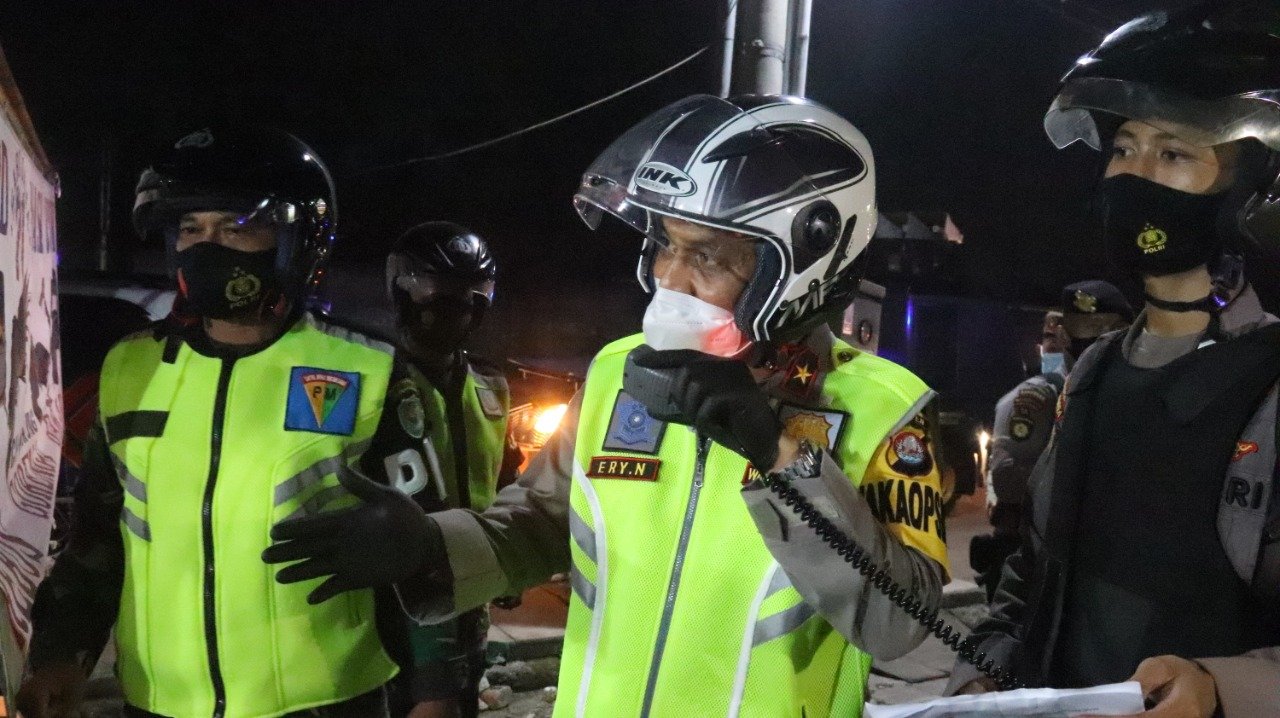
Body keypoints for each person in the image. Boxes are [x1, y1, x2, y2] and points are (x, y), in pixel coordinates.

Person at [265, 94, 951, 717]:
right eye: (664, 246)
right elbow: (539, 521)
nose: (667, 278)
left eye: (705, 257)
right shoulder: (621, 373)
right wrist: (429, 546)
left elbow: (897, 626)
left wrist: (780, 458)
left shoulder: (882, 410)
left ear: (803, 262)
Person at [18, 126, 424, 718]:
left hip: (326, 702)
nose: (206, 247)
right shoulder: (130, 368)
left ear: (297, 240)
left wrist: (436, 689)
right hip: (159, 704)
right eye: (190, 229)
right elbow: (99, 535)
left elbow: (430, 546)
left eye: (236, 226)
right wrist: (62, 654)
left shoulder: (370, 370)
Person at [948, 6, 1280, 716]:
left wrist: (1225, 689)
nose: (1133, 174)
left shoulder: (1270, 381)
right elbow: (1037, 572)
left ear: (1249, 191)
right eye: (1124, 147)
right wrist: (992, 660)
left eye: (1174, 153)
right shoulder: (1094, 372)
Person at [383, 221, 521, 718]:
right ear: (402, 287)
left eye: (474, 292)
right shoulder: (377, 379)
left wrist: (510, 563)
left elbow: (505, 476)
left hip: (473, 590)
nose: (457, 306)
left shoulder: (491, 384)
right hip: (400, 602)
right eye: (437, 289)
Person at [970, 281, 1131, 601]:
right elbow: (1008, 478)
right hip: (1035, 561)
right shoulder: (1040, 396)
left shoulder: (1118, 394)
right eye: (1082, 337)